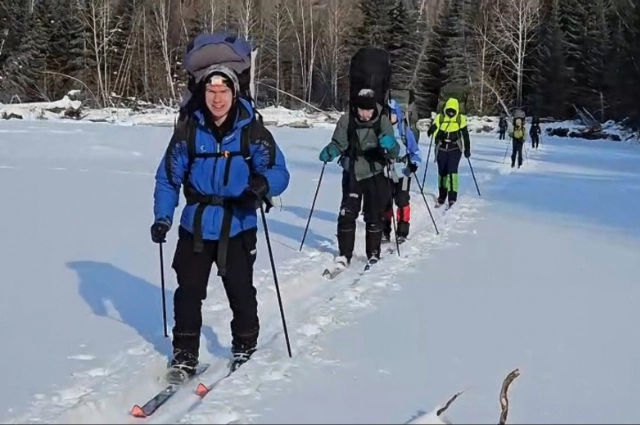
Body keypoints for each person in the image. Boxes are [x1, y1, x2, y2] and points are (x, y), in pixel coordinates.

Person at [150, 65, 290, 378]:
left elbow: (280, 171)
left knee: (240, 292)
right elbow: (168, 178)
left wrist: (264, 184)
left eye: (223, 91)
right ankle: (184, 355)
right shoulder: (188, 131)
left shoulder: (252, 131)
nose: (217, 99)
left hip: (238, 223)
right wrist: (163, 217)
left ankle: (245, 345)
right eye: (211, 92)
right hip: (195, 224)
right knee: (188, 294)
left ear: (234, 93)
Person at [319, 88, 400, 268]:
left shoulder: (383, 121)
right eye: (362, 110)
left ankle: (373, 253)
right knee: (347, 213)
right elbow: (339, 143)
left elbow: (394, 152)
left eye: (368, 111)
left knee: (373, 214)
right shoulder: (347, 120)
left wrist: (391, 144)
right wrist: (331, 150)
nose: (365, 114)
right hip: (352, 171)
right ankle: (344, 254)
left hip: (375, 172)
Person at [382, 97, 421, 243]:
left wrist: (413, 164)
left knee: (402, 200)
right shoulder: (381, 130)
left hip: (403, 171)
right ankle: (384, 231)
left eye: (391, 113)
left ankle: (402, 232)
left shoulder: (404, 130)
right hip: (385, 171)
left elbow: (415, 151)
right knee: (385, 201)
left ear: (397, 114)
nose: (388, 117)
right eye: (386, 113)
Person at [427, 97, 471, 208]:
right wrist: (431, 130)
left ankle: (452, 198)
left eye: (453, 111)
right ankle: (442, 196)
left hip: (455, 149)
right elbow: (433, 129)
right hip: (441, 148)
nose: (451, 113)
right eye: (449, 110)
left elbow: (465, 135)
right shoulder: (440, 117)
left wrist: (467, 149)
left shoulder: (460, 119)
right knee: (442, 173)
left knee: (452, 172)